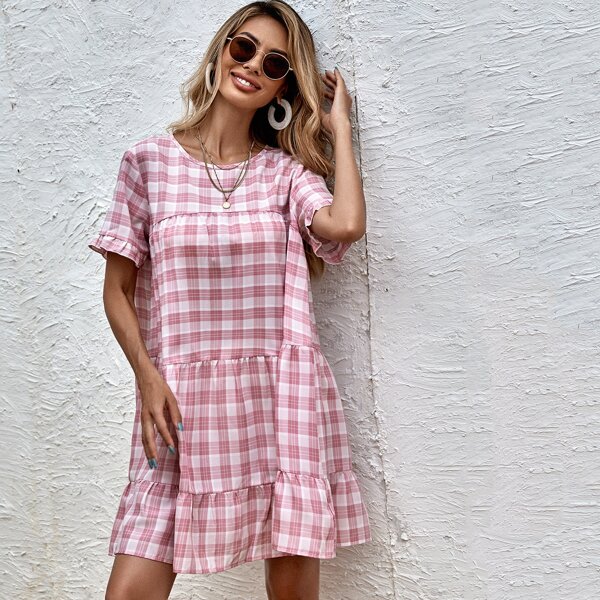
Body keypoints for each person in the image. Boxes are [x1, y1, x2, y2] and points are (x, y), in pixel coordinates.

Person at [89, 1, 370, 598]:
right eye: (244, 48)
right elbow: (118, 289)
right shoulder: (148, 162)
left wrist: (339, 127)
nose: (252, 67)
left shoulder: (283, 175)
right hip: (179, 404)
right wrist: (147, 377)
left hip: (281, 402)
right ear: (221, 51)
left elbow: (344, 225)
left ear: (282, 88)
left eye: (274, 64)